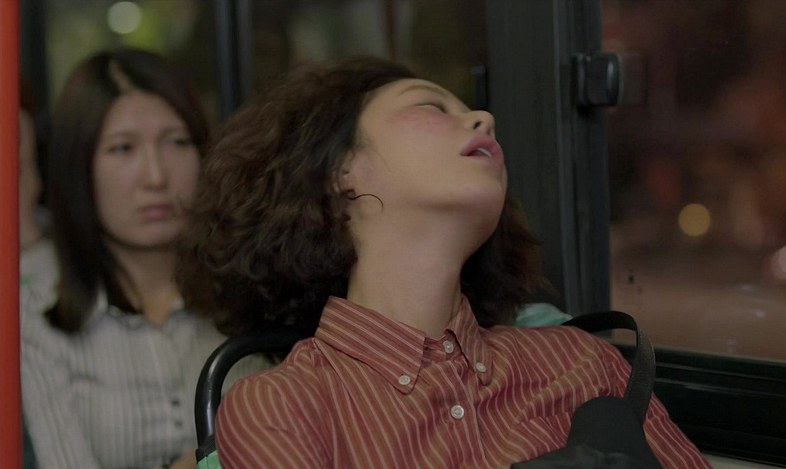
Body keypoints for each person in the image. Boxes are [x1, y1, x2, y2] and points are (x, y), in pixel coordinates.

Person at [177, 57, 712, 468]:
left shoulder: (583, 363)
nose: (485, 118)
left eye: (471, 110)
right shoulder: (281, 407)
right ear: (340, 172)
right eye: (431, 107)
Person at [20, 48, 264, 469]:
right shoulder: (36, 313)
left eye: (177, 142)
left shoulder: (254, 291)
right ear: (78, 167)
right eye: (123, 149)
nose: (155, 176)